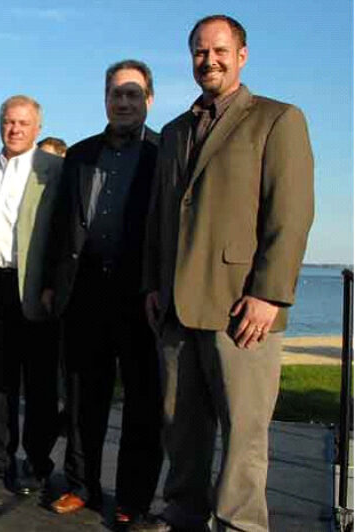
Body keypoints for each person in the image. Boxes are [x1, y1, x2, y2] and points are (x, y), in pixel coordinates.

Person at [144, 15, 313, 531]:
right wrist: (153, 284)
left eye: (219, 50)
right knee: (182, 429)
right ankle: (184, 516)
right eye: (199, 51)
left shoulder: (277, 120)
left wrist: (269, 295)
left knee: (243, 434)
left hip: (242, 308)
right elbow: (160, 216)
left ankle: (240, 525)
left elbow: (291, 213)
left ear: (242, 55)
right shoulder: (174, 131)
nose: (208, 60)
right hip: (175, 307)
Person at [42, 60, 164, 529]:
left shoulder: (164, 151)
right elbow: (60, 224)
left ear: (148, 99)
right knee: (81, 401)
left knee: (142, 405)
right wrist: (53, 283)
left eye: (134, 94)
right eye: (117, 94)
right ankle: (80, 485)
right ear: (105, 98)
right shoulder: (79, 154)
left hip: (141, 295)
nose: (124, 102)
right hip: (84, 292)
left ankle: (133, 498)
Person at [0, 95, 62, 495]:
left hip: (35, 286)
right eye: (8, 121)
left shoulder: (55, 169)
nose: (15, 129)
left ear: (37, 127)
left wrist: (54, 285)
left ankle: (37, 463)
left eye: (23, 123)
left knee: (38, 382)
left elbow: (64, 233)